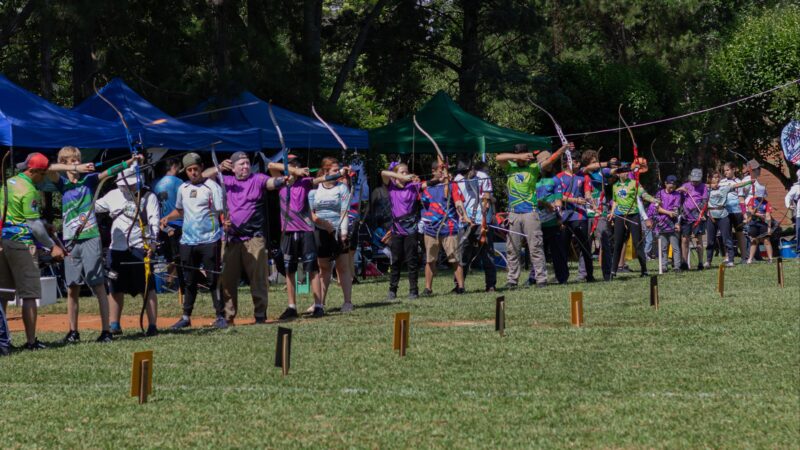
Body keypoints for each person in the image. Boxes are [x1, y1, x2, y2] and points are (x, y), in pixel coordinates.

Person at [50, 146, 140, 344]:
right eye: (70, 161)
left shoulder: (89, 181)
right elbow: (47, 168)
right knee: (72, 286)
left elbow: (110, 172)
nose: (74, 164)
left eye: (76, 160)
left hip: (90, 237)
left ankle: (106, 331)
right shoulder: (62, 183)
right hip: (70, 242)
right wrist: (76, 167)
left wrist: (131, 161)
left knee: (98, 284)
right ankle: (73, 331)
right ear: (64, 164)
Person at [202, 151, 290, 324]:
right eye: (241, 164)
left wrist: (283, 180)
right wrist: (218, 168)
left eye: (247, 163)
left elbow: (273, 183)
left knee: (258, 279)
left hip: (254, 239)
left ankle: (260, 315)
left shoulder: (257, 179)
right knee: (227, 280)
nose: (245, 166)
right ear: (233, 168)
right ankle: (228, 317)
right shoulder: (226, 181)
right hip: (231, 239)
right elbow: (204, 177)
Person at [0, 153, 67, 350]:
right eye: (43, 173)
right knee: (29, 294)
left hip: (3, 242)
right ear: (34, 171)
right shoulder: (29, 190)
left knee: (2, 293)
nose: (44, 177)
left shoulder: (8, 183)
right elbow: (33, 226)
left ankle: (4, 341)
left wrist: (45, 224)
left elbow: (15, 216)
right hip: (21, 244)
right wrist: (52, 246)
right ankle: (31, 342)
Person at [160, 153, 227, 330]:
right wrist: (167, 217)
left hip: (209, 240)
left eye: (195, 169)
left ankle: (220, 315)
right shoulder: (183, 188)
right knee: (188, 281)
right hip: (188, 241)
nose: (193, 173)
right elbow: (180, 211)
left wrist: (225, 223)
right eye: (189, 170)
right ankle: (186, 316)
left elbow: (222, 211)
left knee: (213, 279)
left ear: (201, 167)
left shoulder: (212, 187)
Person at [94, 164, 160, 336]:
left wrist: (152, 243)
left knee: (147, 287)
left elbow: (154, 221)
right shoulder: (113, 195)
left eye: (132, 184)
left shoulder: (147, 196)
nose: (130, 187)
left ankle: (152, 325)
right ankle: (114, 324)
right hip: (117, 250)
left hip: (140, 248)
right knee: (115, 287)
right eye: (127, 184)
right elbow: (93, 206)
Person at [497, 142, 569, 288]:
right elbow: (499, 157)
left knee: (535, 246)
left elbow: (550, 160)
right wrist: (517, 156)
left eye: (522, 156)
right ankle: (512, 279)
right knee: (513, 248)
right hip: (514, 213)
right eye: (517, 156)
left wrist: (562, 149)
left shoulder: (533, 168)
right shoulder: (510, 167)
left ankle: (541, 278)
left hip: (530, 212)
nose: (519, 160)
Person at [275, 156, 324, 319]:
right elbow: (270, 165)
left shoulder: (306, 181)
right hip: (288, 231)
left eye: (296, 164)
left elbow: (323, 178)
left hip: (306, 230)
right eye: (289, 165)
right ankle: (291, 307)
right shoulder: (280, 182)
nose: (293, 168)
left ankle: (318, 305)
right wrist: (292, 170)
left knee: (313, 268)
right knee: (290, 269)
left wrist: (339, 173)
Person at [309, 157, 354, 312]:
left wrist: (343, 233)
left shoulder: (342, 188)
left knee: (342, 266)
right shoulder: (315, 188)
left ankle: (347, 302)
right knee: (323, 268)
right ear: (326, 171)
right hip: (320, 231)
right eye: (335, 171)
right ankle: (320, 302)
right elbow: (312, 214)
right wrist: (324, 225)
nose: (338, 173)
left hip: (338, 230)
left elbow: (344, 211)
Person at [420, 160, 466, 296]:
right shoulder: (425, 186)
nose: (443, 172)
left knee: (455, 259)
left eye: (444, 170)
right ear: (433, 171)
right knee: (430, 259)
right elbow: (417, 188)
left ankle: (461, 287)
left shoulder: (452, 185)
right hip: (430, 228)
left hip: (449, 227)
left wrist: (463, 215)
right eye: (440, 169)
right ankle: (428, 288)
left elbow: (458, 202)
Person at [609, 159, 658, 277]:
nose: (625, 173)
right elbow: (615, 201)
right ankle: (613, 271)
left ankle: (644, 270)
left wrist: (654, 200)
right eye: (622, 171)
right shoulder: (615, 186)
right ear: (618, 173)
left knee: (637, 243)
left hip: (633, 215)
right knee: (618, 243)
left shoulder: (634, 183)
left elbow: (643, 194)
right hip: (620, 216)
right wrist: (612, 212)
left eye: (626, 171)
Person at [381, 162, 422, 300]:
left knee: (412, 260)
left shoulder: (413, 186)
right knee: (396, 260)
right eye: (402, 172)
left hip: (411, 229)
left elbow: (432, 183)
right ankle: (392, 290)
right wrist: (399, 175)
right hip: (397, 230)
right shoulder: (391, 186)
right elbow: (383, 173)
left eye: (406, 172)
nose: (405, 174)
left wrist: (442, 177)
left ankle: (413, 290)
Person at [454, 160, 496, 292]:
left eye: (468, 172)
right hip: (466, 222)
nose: (466, 175)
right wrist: (465, 217)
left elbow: (487, 195)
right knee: (462, 254)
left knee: (487, 254)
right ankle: (459, 285)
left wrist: (485, 207)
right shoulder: (457, 179)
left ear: (472, 168)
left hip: (482, 220)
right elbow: (458, 201)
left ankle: (491, 285)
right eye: (463, 173)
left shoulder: (483, 176)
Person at [556, 152, 595, 282]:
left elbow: (588, 193)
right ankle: (562, 277)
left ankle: (589, 275)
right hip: (564, 216)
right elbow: (558, 196)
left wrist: (592, 204)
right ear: (567, 162)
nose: (577, 163)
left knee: (585, 246)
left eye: (578, 161)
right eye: (574, 161)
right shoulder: (559, 177)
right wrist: (575, 200)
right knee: (563, 247)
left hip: (579, 215)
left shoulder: (584, 177)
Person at [705, 171, 752, 267]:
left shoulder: (724, 187)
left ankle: (731, 260)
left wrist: (749, 182)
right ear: (710, 181)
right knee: (710, 240)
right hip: (711, 216)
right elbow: (694, 187)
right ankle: (708, 261)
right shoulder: (706, 189)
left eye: (718, 180)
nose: (716, 182)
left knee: (727, 238)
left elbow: (738, 185)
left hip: (723, 215)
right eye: (714, 180)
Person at [535, 152, 568, 284]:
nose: (549, 164)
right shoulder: (533, 179)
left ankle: (562, 277)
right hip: (536, 222)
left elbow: (559, 200)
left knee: (557, 252)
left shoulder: (555, 179)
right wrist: (543, 203)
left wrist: (558, 211)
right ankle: (534, 278)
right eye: (546, 161)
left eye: (551, 160)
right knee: (536, 251)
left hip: (552, 222)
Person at [153, 158, 185, 294]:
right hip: (177, 223)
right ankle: (172, 283)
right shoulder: (179, 182)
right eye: (178, 166)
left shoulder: (155, 183)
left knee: (166, 257)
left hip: (161, 224)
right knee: (178, 256)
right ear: (173, 166)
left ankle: (166, 284)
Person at [582, 151, 615, 281]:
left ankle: (607, 274)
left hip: (600, 211)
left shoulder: (600, 173)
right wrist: (607, 163)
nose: (596, 164)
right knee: (585, 244)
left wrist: (620, 167)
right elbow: (588, 168)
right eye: (594, 161)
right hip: (586, 212)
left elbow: (611, 172)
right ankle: (584, 274)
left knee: (604, 241)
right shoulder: (583, 172)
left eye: (597, 161)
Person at [648, 175, 683, 272]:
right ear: (665, 183)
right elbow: (657, 208)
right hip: (661, 224)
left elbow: (676, 209)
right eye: (670, 185)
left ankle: (677, 266)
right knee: (663, 247)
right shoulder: (659, 194)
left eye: (674, 186)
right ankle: (663, 266)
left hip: (672, 224)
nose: (672, 187)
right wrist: (668, 213)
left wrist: (677, 222)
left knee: (675, 246)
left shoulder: (677, 195)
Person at [678, 169, 709, 270]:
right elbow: (677, 194)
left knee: (698, 239)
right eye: (693, 180)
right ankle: (684, 263)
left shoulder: (703, 187)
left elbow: (704, 201)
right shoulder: (686, 185)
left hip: (697, 217)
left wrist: (700, 211)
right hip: (686, 216)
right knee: (684, 239)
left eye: (696, 181)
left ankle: (700, 263)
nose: (694, 182)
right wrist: (681, 190)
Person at [721, 162, 747, 261]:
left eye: (727, 170)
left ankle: (744, 256)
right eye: (724, 171)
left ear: (733, 170)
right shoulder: (721, 182)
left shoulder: (739, 182)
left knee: (739, 233)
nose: (725, 172)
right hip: (724, 211)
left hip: (736, 211)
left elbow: (741, 199)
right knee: (726, 234)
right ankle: (727, 256)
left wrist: (744, 213)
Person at [746, 185, 774, 263]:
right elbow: (750, 210)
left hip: (763, 224)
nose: (761, 197)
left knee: (766, 241)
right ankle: (750, 259)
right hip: (753, 223)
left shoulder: (767, 203)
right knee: (754, 241)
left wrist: (769, 228)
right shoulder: (752, 200)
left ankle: (770, 258)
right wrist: (758, 215)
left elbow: (768, 216)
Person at [785, 168, 800, 253]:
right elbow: (788, 196)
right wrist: (788, 205)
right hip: (799, 213)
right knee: (799, 232)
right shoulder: (796, 187)